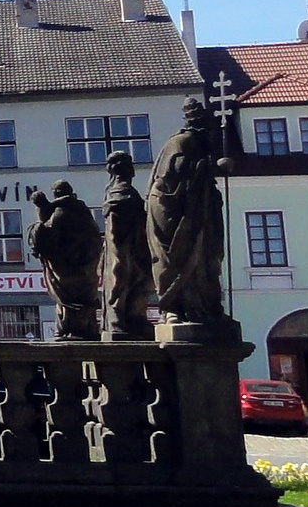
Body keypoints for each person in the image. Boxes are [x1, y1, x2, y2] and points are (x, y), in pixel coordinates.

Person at [148, 98, 229, 327]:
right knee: (175, 259)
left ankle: (206, 308)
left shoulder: (198, 147)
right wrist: (209, 169)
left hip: (197, 213)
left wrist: (211, 171)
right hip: (173, 213)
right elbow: (170, 180)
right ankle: (172, 308)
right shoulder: (182, 143)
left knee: (206, 260)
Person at [26, 181, 103, 340]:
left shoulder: (61, 213)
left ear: (56, 194)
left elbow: (45, 237)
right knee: (85, 299)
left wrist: (40, 210)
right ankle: (85, 327)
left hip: (69, 269)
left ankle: (72, 330)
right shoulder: (84, 213)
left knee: (70, 301)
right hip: (87, 266)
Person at [103, 150, 152, 339]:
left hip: (132, 246)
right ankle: (120, 320)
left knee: (134, 280)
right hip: (124, 248)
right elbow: (116, 229)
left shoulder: (125, 192)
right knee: (122, 279)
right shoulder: (121, 192)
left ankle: (132, 317)